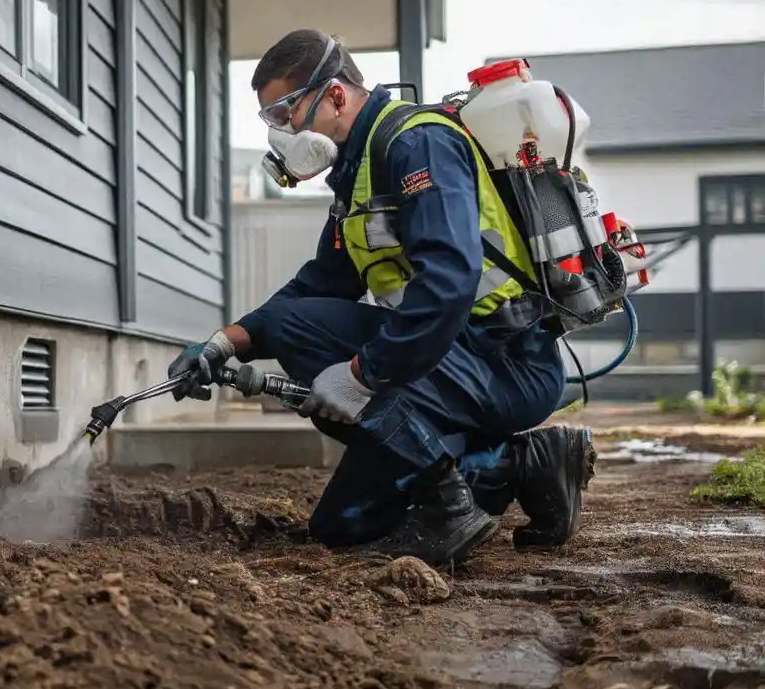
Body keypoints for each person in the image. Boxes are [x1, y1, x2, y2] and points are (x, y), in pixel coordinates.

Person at [167, 29, 596, 567]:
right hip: (451, 364)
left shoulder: (417, 145)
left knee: (304, 337)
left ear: (337, 95)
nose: (282, 134)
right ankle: (522, 464)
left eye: (284, 115)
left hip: (504, 361)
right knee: (343, 526)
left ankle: (446, 501)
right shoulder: (358, 173)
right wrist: (223, 344)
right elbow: (322, 281)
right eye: (271, 122)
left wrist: (362, 373)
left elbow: (449, 280)